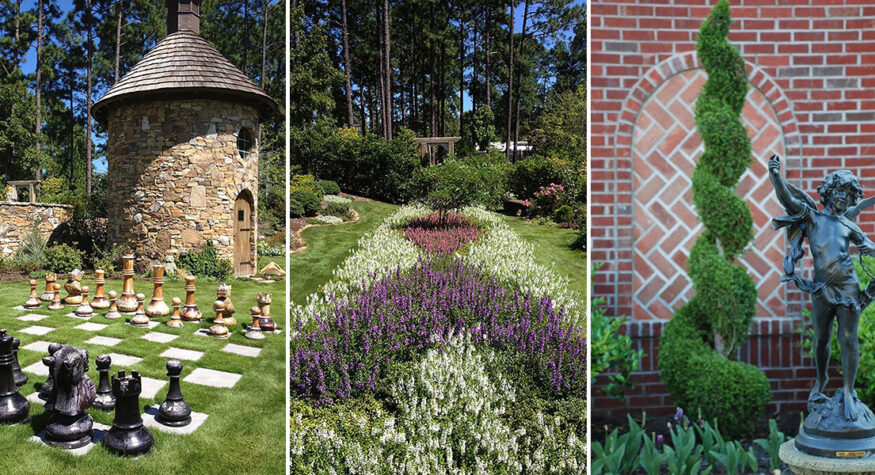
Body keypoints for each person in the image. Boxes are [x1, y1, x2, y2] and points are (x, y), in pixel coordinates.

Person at [769, 154, 875, 421]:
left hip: (848, 288)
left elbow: (872, 249)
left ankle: (849, 391)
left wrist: (868, 248)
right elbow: (789, 201)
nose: (843, 197)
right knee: (820, 340)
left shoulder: (848, 224)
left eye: (848, 194)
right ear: (829, 192)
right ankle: (821, 381)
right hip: (821, 289)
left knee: (849, 339)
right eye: (839, 190)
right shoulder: (813, 218)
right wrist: (776, 177)